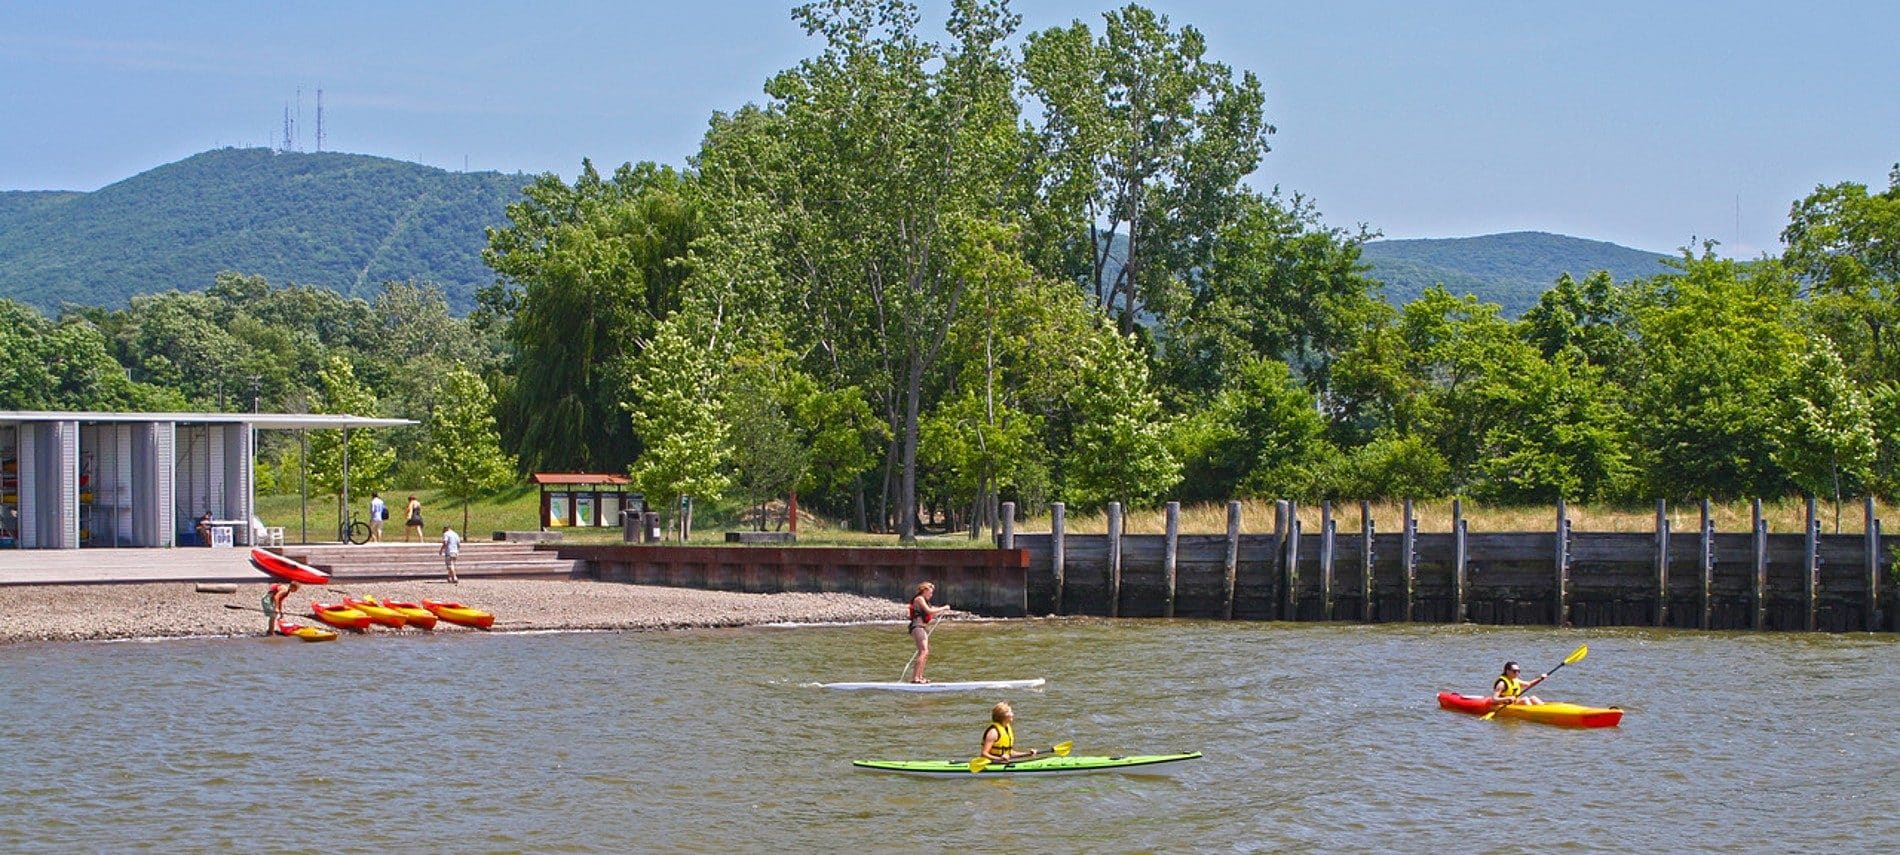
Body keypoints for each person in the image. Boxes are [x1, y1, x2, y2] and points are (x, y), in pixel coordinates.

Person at [905, 581, 951, 684]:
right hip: (917, 626)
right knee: (923, 651)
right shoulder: (919, 599)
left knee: (926, 652)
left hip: (921, 626)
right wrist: (943, 607)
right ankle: (915, 678)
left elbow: (929, 614)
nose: (931, 595)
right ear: (924, 590)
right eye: (930, 592)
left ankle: (920, 677)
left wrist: (941, 611)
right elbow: (929, 611)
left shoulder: (924, 600)